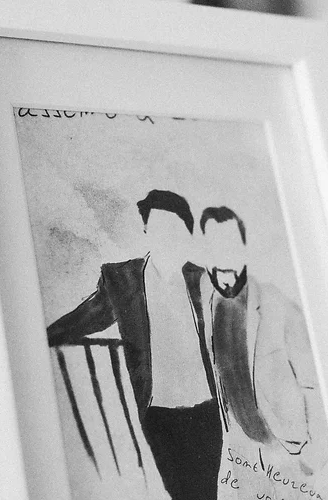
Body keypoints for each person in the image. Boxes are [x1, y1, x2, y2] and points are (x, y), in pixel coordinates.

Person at [47, 189, 222, 500]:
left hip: (206, 410)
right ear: (145, 230)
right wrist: (39, 339)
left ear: (185, 231)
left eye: (173, 228)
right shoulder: (123, 279)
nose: (165, 235)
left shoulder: (201, 278)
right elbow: (87, 318)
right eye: (157, 227)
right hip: (158, 413)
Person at [194, 206, 328, 499]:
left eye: (230, 245)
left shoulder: (277, 304)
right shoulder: (205, 308)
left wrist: (315, 453)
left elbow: (313, 381)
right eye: (214, 246)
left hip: (287, 450)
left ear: (244, 249)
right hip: (241, 452)